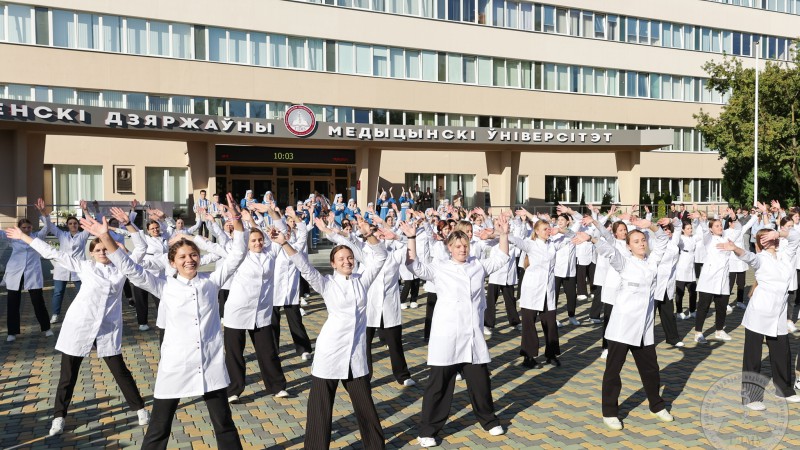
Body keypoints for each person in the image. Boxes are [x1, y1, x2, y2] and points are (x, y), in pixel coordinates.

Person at [88, 193, 247, 450]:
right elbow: (132, 270)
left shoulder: (211, 283)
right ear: (172, 262)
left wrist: (237, 221)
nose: (189, 260)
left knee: (224, 424)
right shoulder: (165, 286)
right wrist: (106, 238)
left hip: (210, 363)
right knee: (159, 427)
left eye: (193, 255)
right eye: (182, 257)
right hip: (176, 366)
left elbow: (238, 253)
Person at [3, 226, 150, 436]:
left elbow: (141, 247)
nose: (102, 253)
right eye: (98, 250)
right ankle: (58, 417)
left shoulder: (122, 268)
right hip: (80, 325)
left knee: (120, 371)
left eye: (105, 249)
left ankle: (140, 409)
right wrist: (24, 237)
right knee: (68, 375)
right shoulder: (84, 267)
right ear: (91, 252)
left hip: (107, 328)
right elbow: (52, 252)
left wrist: (129, 223)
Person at [275, 217, 388, 450]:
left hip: (355, 354)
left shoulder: (362, 281)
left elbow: (380, 257)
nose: (347, 261)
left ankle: (375, 446)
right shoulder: (326, 283)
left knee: (365, 405)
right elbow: (304, 267)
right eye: (341, 259)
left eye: (349, 258)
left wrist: (368, 234)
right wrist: (285, 243)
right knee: (320, 406)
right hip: (331, 351)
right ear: (333, 264)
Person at [401, 214, 511, 447]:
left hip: (471, 337)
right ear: (449, 248)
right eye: (457, 246)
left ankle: (489, 420)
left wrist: (503, 234)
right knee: (438, 386)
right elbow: (415, 266)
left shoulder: (477, 266)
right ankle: (427, 430)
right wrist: (411, 237)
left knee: (481, 383)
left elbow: (501, 257)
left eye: (465, 245)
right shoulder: (441, 268)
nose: (462, 249)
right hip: (447, 336)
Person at [574, 217, 674, 431]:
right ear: (628, 246)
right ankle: (609, 412)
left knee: (651, 370)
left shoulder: (652, 261)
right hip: (622, 326)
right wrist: (591, 238)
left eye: (643, 240)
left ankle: (656, 405)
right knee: (613, 371)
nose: (641, 243)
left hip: (644, 328)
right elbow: (609, 252)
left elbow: (663, 241)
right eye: (636, 241)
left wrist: (652, 226)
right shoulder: (625, 262)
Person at [197, 207, 289, 403]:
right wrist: (201, 238)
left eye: (259, 240)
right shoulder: (239, 254)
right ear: (247, 243)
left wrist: (272, 212)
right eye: (253, 241)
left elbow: (282, 230)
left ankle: (277, 386)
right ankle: (233, 390)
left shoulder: (270, 253)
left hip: (261, 312)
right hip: (237, 311)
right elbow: (226, 242)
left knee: (268, 352)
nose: (257, 243)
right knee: (234, 354)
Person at [718, 227, 800, 409]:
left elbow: (796, 236)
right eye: (766, 238)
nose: (771, 239)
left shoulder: (786, 255)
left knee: (782, 352)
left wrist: (779, 233)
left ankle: (784, 390)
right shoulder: (761, 259)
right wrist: (735, 249)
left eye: (772, 236)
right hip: (759, 312)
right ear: (760, 243)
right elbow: (748, 257)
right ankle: (751, 397)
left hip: (779, 313)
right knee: (753, 356)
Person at [511, 210, 574, 369]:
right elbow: (512, 239)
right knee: (529, 325)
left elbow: (572, 235)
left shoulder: (553, 244)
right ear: (537, 231)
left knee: (550, 324)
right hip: (532, 290)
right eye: (544, 229)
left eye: (549, 229)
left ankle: (551, 354)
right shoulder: (530, 244)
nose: (548, 231)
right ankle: (528, 356)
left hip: (548, 291)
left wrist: (560, 230)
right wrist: (500, 232)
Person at [694, 208, 752, 344]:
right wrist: (702, 220)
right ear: (711, 229)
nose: (720, 227)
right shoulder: (709, 239)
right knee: (703, 306)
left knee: (721, 306)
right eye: (716, 226)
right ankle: (698, 333)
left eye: (720, 225)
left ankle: (719, 330)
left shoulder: (726, 237)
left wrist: (734, 217)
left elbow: (738, 230)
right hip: (709, 278)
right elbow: (704, 231)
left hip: (723, 279)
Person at [37, 199, 91, 324]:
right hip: (62, 268)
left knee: (82, 293)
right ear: (67, 225)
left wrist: (85, 210)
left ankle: (83, 314)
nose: (73, 225)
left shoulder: (83, 235)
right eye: (71, 223)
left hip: (78, 268)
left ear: (78, 225)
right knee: (58, 292)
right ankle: (55, 314)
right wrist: (43, 211)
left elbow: (90, 225)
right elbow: (49, 225)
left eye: (75, 223)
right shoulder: (62, 235)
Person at [270, 205, 313, 360]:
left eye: (288, 231)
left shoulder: (297, 246)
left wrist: (295, 217)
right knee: (272, 322)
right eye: (284, 231)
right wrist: (272, 212)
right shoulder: (274, 246)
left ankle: (303, 349)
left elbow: (303, 232)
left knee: (295, 321)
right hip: (274, 290)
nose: (286, 233)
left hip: (291, 291)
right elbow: (279, 226)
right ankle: (273, 350)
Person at [2, 214, 52, 342]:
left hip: (32, 273)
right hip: (15, 273)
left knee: (38, 302)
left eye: (29, 227)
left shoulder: (37, 237)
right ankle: (12, 332)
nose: (26, 230)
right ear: (19, 228)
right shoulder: (13, 238)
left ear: (32, 228)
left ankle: (46, 328)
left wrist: (44, 214)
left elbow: (47, 227)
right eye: (23, 227)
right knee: (13, 303)